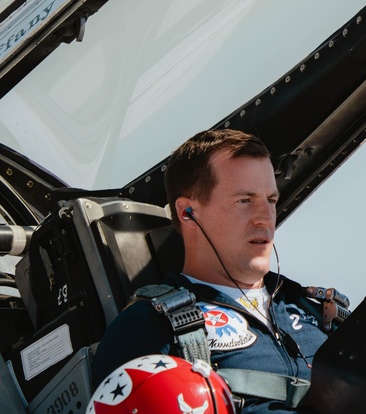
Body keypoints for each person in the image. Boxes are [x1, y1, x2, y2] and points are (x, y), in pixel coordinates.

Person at [91, 129, 347, 414]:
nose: (265, 219)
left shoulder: (314, 310)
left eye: (271, 200)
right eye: (245, 201)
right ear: (188, 212)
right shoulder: (148, 328)